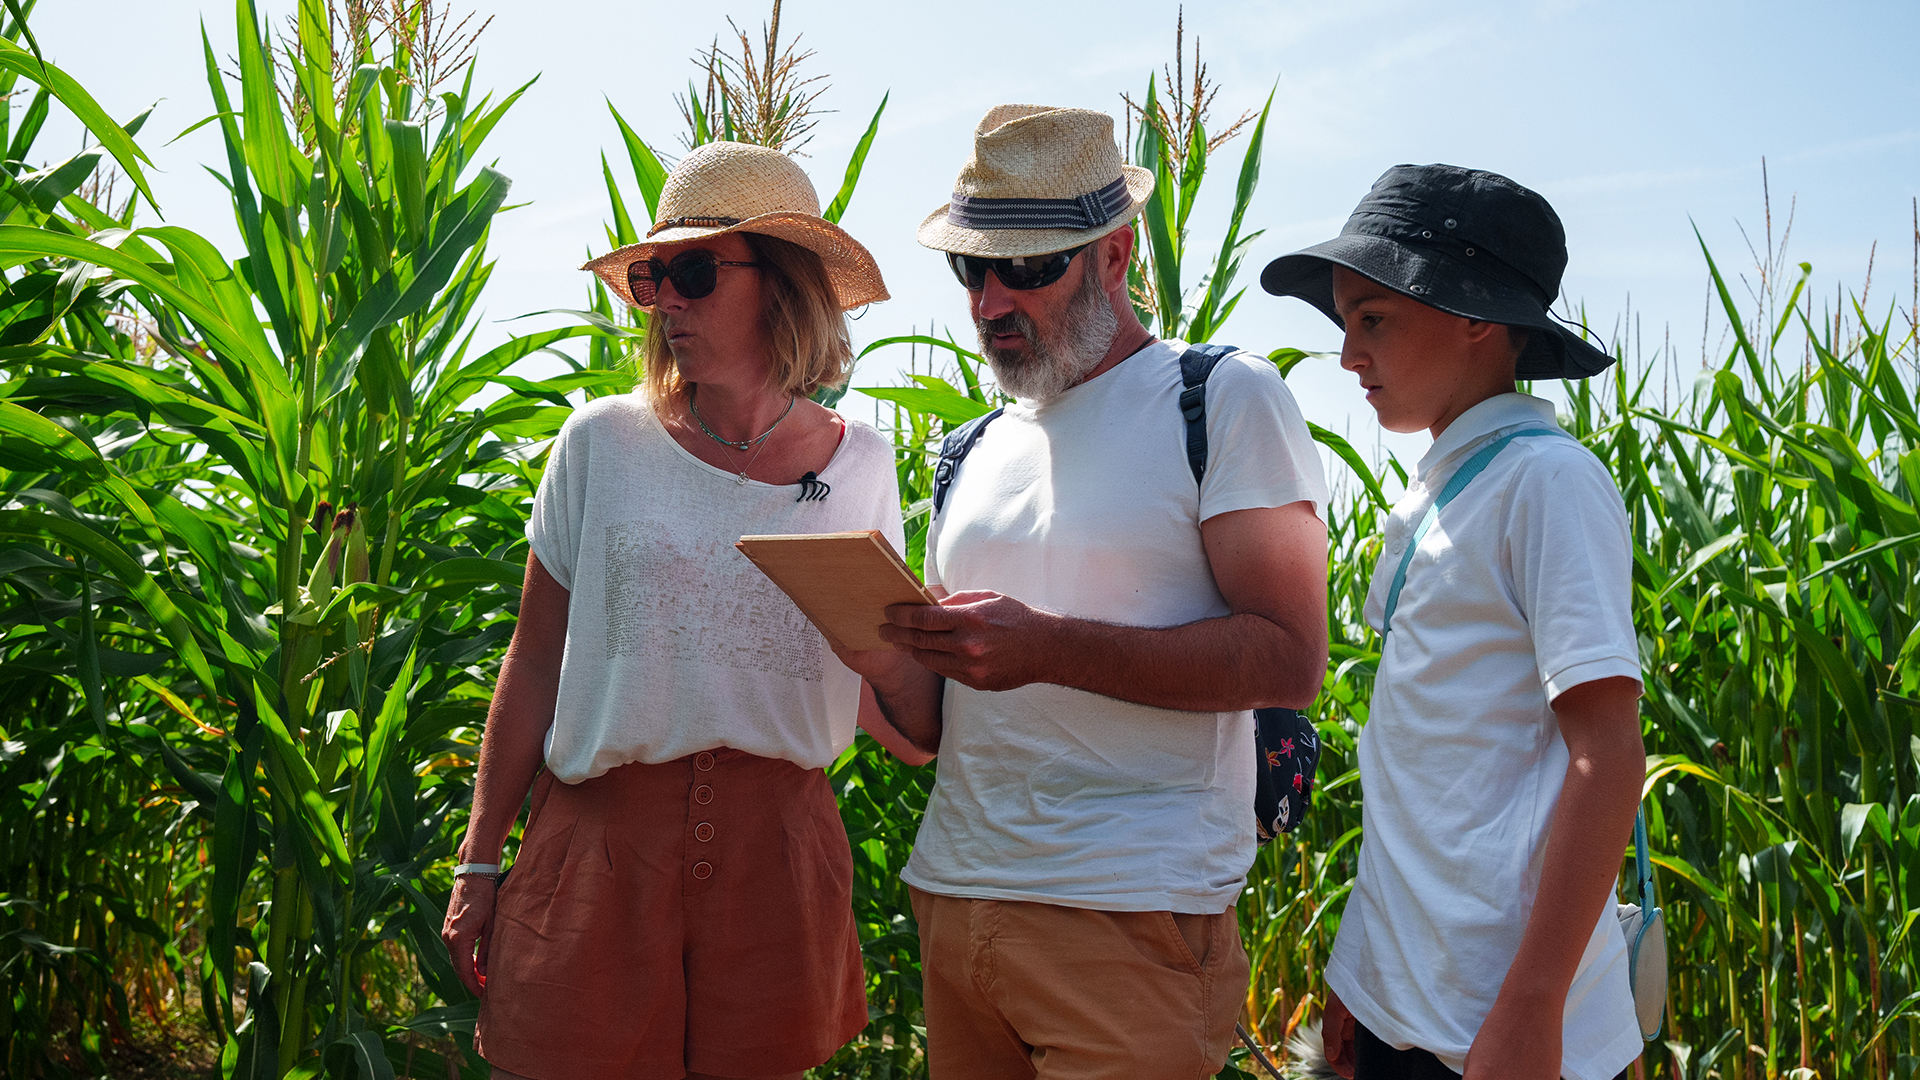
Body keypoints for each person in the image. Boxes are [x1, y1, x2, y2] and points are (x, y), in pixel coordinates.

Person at [846, 104, 1332, 1078]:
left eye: (1025, 269)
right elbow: (933, 728)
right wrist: (869, 653)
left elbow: (1290, 655)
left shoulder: (1220, 399)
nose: (989, 302)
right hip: (955, 900)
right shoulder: (970, 450)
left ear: (1113, 256)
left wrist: (1047, 647)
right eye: (971, 270)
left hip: (1130, 921)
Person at [440, 140, 926, 1080]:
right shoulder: (600, 444)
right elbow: (533, 661)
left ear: (782, 284)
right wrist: (476, 862)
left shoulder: (863, 466)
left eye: (693, 272)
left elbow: (872, 673)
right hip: (598, 854)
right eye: (655, 276)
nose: (666, 300)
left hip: (778, 866)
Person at [1260, 164, 1646, 1080]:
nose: (1348, 356)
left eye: (1373, 320)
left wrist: (1534, 1004)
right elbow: (1422, 772)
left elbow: (1609, 754)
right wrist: (1361, 971)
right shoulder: (1446, 487)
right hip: (1409, 1004)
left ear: (1476, 317)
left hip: (1495, 1025)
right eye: (1344, 322)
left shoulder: (1546, 483)